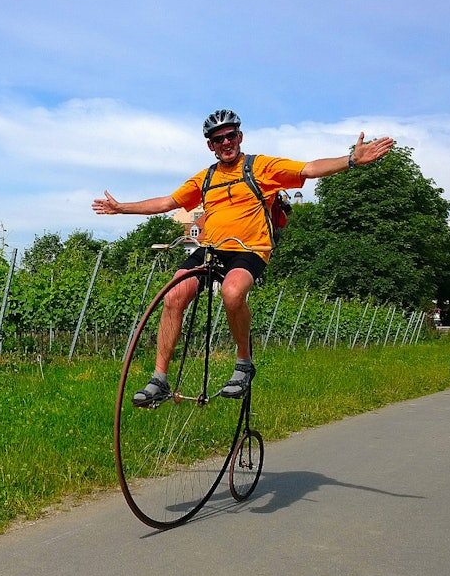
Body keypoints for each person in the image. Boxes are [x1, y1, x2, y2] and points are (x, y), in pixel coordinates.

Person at [92, 109, 395, 406]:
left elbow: (308, 169)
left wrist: (351, 160)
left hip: (250, 249)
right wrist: (122, 208)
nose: (226, 142)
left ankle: (243, 364)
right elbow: (167, 202)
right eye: (218, 139)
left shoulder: (260, 167)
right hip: (212, 248)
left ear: (240, 136)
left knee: (232, 291)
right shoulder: (205, 178)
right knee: (174, 293)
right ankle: (160, 379)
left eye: (231, 135)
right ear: (210, 145)